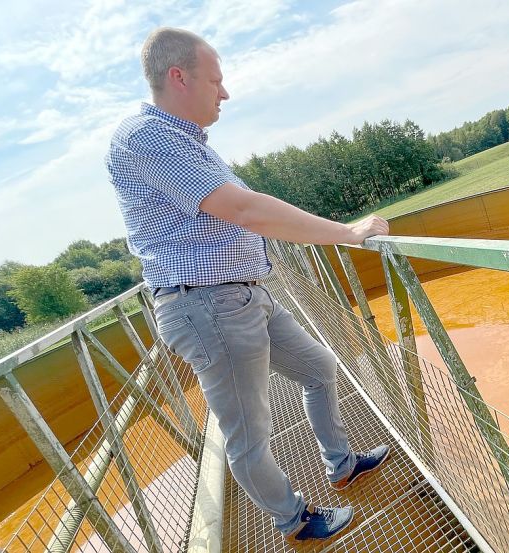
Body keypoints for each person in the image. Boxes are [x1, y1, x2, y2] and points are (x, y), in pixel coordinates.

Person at [105, 27, 391, 541]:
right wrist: (346, 234)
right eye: (215, 80)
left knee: (319, 367)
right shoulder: (146, 137)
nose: (225, 92)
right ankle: (294, 519)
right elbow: (241, 208)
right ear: (178, 76)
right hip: (209, 308)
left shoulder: (187, 144)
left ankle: (341, 461)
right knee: (250, 435)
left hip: (243, 295)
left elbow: (240, 207)